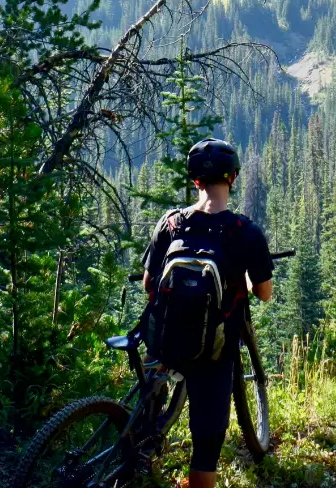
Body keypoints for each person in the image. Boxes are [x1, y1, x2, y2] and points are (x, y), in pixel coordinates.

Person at [142, 138, 274, 488]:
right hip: (214, 351)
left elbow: (148, 283)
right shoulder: (246, 233)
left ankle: (134, 449)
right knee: (207, 441)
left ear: (195, 180)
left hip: (164, 339)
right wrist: (243, 283)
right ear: (232, 178)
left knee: (144, 417)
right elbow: (264, 293)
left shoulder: (170, 223)